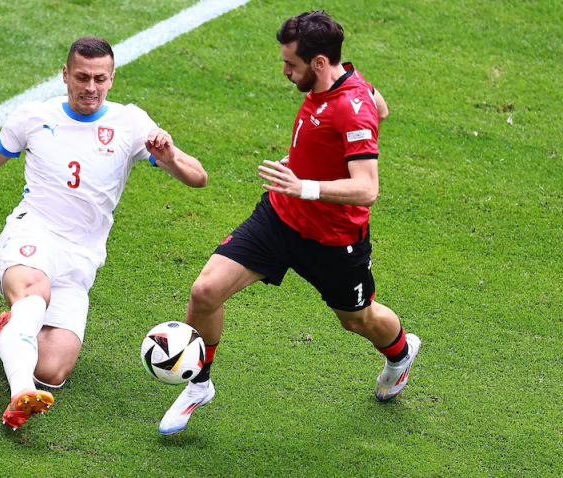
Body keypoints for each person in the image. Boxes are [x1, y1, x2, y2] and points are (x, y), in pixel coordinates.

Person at [0, 36, 208, 430]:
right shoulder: (33, 117)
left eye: (100, 79)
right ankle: (19, 392)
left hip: (81, 258)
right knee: (34, 295)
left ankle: (9, 327)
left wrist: (170, 155)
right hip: (32, 233)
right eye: (82, 77)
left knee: (53, 372)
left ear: (112, 78)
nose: (90, 87)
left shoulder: (130, 123)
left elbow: (198, 177)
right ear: (65, 74)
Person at [158, 10, 419, 436]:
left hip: (332, 241)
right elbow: (381, 106)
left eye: (291, 65)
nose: (284, 72)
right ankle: (199, 384)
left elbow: (367, 188)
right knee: (205, 290)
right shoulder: (345, 83)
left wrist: (306, 184)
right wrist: (301, 169)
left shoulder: (351, 110)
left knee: (357, 319)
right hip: (280, 218)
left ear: (318, 63)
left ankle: (401, 352)